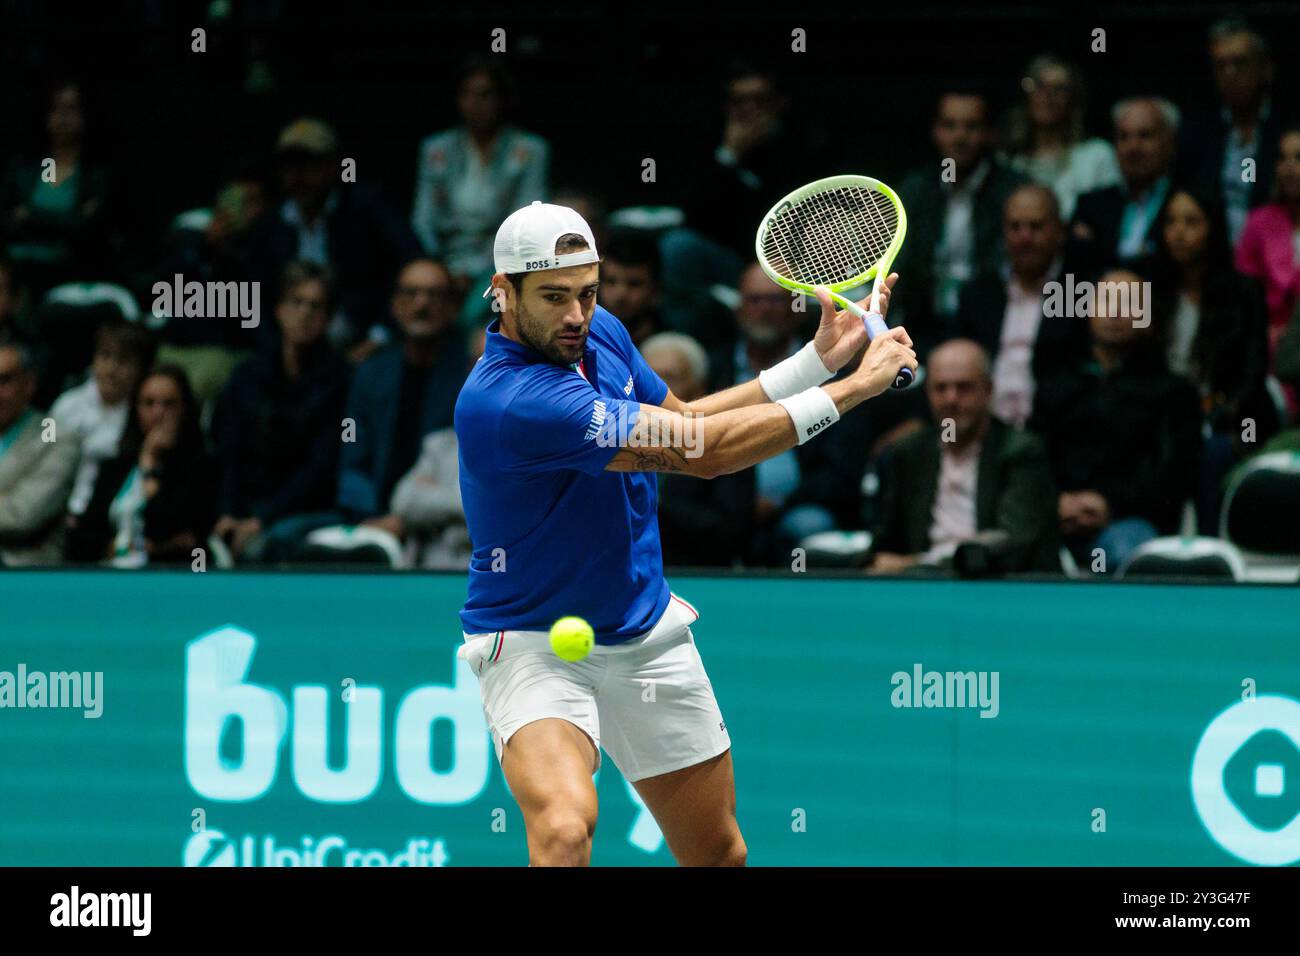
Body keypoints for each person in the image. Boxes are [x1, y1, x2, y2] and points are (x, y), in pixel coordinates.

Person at [454, 201, 916, 866]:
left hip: (644, 630)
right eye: (554, 298)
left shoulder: (598, 333)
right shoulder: (510, 400)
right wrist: (855, 391)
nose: (576, 315)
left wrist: (817, 364)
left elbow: (685, 416)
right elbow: (702, 451)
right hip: (534, 642)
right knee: (563, 830)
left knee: (719, 855)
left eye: (587, 292)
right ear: (503, 294)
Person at [1028, 267, 1202, 571]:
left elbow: (1173, 474)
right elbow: (1034, 458)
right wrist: (1056, 501)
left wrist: (1110, 504)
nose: (1115, 312)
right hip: (1054, 517)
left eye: (1128, 303)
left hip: (1130, 521)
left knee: (1122, 552)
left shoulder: (1174, 392)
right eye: (1106, 301)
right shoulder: (1057, 385)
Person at [866, 339, 1058, 575]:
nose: (951, 399)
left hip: (999, 587)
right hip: (922, 589)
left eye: (964, 387)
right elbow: (884, 541)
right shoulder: (909, 452)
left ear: (988, 390)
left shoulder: (1021, 451)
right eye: (941, 388)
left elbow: (1014, 544)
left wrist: (921, 564)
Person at [1144, 186, 1273, 531]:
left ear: (1213, 228)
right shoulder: (1152, 290)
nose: (1179, 233)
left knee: (1211, 453)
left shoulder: (1244, 292)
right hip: (1165, 413)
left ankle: (1207, 546)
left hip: (1230, 417)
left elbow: (1253, 371)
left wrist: (1220, 411)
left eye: (1192, 222)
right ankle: (1155, 549)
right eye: (1171, 222)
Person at [244, 117, 422, 359]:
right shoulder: (271, 226)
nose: (299, 176)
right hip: (290, 348)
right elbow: (254, 296)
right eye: (290, 166)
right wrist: (275, 349)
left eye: (309, 165)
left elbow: (410, 264)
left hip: (362, 342)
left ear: (332, 166)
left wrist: (377, 337)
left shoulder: (366, 210)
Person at [212, 262, 351, 562]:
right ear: (278, 309)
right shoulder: (247, 375)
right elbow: (230, 450)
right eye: (296, 302)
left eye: (315, 306)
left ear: (327, 317)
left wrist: (262, 518)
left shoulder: (342, 380)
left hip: (307, 510)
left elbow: (322, 467)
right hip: (247, 506)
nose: (305, 313)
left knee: (267, 546)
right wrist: (227, 511)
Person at [337, 258, 467, 537]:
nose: (422, 304)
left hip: (442, 524)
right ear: (395, 304)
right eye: (411, 293)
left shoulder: (470, 379)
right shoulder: (371, 374)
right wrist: (369, 518)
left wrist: (406, 520)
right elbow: (354, 458)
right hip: (370, 520)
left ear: (453, 306)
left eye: (434, 295)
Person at [894, 89, 1026, 352]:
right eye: (950, 126)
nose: (960, 136)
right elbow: (902, 265)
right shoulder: (916, 189)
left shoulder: (1013, 191)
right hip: (922, 321)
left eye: (971, 126)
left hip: (992, 320)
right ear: (936, 131)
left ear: (990, 133)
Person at [411, 59, 549, 302]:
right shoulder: (436, 149)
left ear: (501, 99)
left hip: (502, 260)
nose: (476, 104)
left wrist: (475, 269)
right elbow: (423, 219)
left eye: (486, 95)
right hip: (443, 262)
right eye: (468, 94)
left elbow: (523, 221)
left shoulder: (529, 150)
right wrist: (438, 266)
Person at [955, 183, 1089, 427]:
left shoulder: (1080, 291)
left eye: (1036, 227)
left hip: (1059, 429)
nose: (1024, 237)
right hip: (983, 429)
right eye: (1015, 227)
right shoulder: (978, 295)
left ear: (1059, 231)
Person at [67, 364, 216, 566]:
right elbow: (83, 535)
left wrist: (150, 464)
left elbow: (172, 529)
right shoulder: (115, 467)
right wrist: (111, 547)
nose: (158, 412)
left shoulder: (200, 468)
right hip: (109, 573)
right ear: (135, 409)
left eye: (169, 404)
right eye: (149, 403)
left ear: (185, 409)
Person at [641, 332, 750, 567]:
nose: (654, 389)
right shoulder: (613, 436)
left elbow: (732, 531)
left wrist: (652, 504)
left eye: (668, 377)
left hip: (701, 572)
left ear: (698, 387)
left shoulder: (725, 440)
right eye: (648, 377)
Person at [1, 78, 116, 294]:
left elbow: (85, 228)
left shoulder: (94, 174)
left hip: (73, 273)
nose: (63, 117)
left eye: (71, 109)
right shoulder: (37, 166)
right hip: (21, 270)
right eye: (56, 108)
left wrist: (32, 215)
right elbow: (9, 220)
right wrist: (63, 219)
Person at [1178, 17, 1286, 243]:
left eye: (1240, 63)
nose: (1230, 74)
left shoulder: (1286, 131)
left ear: (1266, 69)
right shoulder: (1198, 134)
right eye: (1221, 65)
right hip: (1212, 260)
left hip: (1277, 256)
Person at [51, 319, 156, 520]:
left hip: (109, 514)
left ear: (141, 369)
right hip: (58, 510)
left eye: (124, 360)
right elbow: (44, 450)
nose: (112, 368)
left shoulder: (142, 414)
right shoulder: (65, 405)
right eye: (105, 356)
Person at [1004, 55, 1122, 220]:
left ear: (1073, 98)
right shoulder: (1008, 161)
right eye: (1039, 86)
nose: (1047, 96)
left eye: (1059, 89)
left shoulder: (1097, 156)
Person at [1071, 98, 1179, 270]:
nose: (1133, 147)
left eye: (1145, 135)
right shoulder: (1090, 206)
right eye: (1123, 137)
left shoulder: (1188, 203)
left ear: (1170, 143)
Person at [0, 337, 79, 565]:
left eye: (4, 380)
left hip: (26, 573)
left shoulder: (54, 432)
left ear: (29, 384)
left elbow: (23, 515)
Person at [1234, 125, 1300, 369]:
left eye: (1298, 158)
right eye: (1282, 158)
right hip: (1266, 344)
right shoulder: (1258, 222)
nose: (1289, 167)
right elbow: (1243, 292)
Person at [597, 229, 663, 346]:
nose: (620, 294)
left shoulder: (670, 349)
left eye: (634, 284)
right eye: (610, 282)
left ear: (655, 290)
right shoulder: (578, 341)